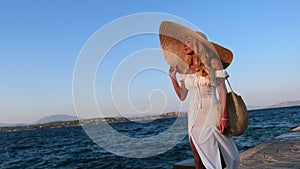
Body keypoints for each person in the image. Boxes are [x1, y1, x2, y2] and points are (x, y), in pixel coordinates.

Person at [159, 21, 240, 169]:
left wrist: (224, 116)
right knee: (197, 155)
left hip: (211, 112)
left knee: (219, 153)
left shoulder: (214, 63)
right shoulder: (185, 69)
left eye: (188, 41)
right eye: (184, 42)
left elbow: (222, 90)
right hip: (193, 114)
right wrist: (172, 78)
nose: (184, 45)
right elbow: (182, 96)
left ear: (198, 44)